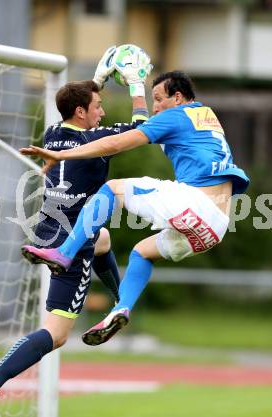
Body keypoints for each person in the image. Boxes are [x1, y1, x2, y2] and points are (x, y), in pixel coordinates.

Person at [0, 45, 152, 417]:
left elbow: (78, 104)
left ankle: (120, 305)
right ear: (82, 112)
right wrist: (135, 83)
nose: (102, 113)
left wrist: (98, 78)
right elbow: (143, 127)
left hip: (50, 230)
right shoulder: (95, 144)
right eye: (98, 107)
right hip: (73, 241)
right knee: (57, 333)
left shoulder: (54, 133)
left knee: (104, 239)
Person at [18, 70, 250, 347]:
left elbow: (118, 142)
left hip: (196, 203)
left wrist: (61, 154)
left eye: (159, 99)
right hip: (217, 224)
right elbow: (143, 125)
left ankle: (64, 254)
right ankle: (121, 309)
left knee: (113, 189)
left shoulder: (177, 116)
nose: (156, 107)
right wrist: (134, 85)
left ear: (178, 97)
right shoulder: (203, 117)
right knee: (142, 252)